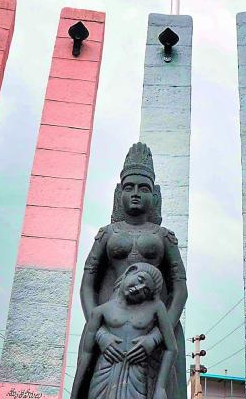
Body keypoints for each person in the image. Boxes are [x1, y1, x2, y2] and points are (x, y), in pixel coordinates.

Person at [75, 142, 187, 398]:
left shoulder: (164, 236)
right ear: (119, 193)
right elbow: (87, 284)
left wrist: (158, 336)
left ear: (155, 195)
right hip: (109, 324)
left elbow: (180, 290)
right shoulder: (107, 233)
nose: (135, 193)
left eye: (143, 188)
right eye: (129, 187)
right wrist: (100, 333)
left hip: (153, 326)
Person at [71, 263, 177, 399]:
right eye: (140, 280)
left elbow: (172, 348)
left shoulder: (156, 308)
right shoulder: (101, 311)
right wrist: (75, 394)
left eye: (146, 291)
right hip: (104, 375)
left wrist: (160, 388)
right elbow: (86, 355)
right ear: (129, 272)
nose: (139, 289)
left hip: (136, 377)